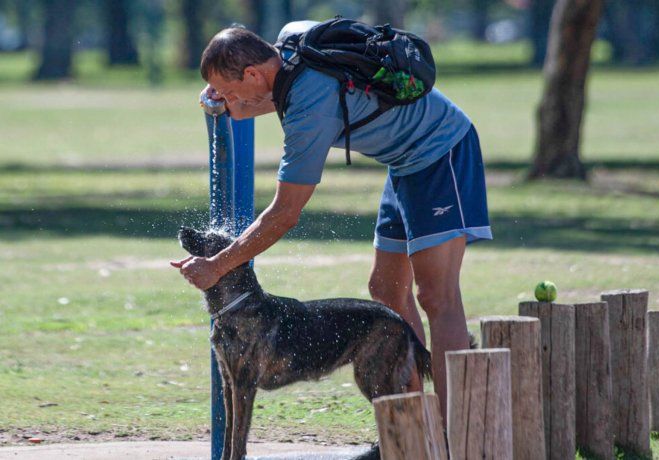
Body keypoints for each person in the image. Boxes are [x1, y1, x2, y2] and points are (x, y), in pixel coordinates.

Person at [171, 22, 492, 423]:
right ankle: (413, 425)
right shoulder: (289, 44)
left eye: (231, 91)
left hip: (441, 150)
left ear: (253, 73)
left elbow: (284, 214)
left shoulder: (308, 110)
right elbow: (271, 96)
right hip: (404, 162)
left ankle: (454, 430)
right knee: (386, 288)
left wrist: (217, 266)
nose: (227, 100)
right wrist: (234, 99)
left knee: (437, 297)